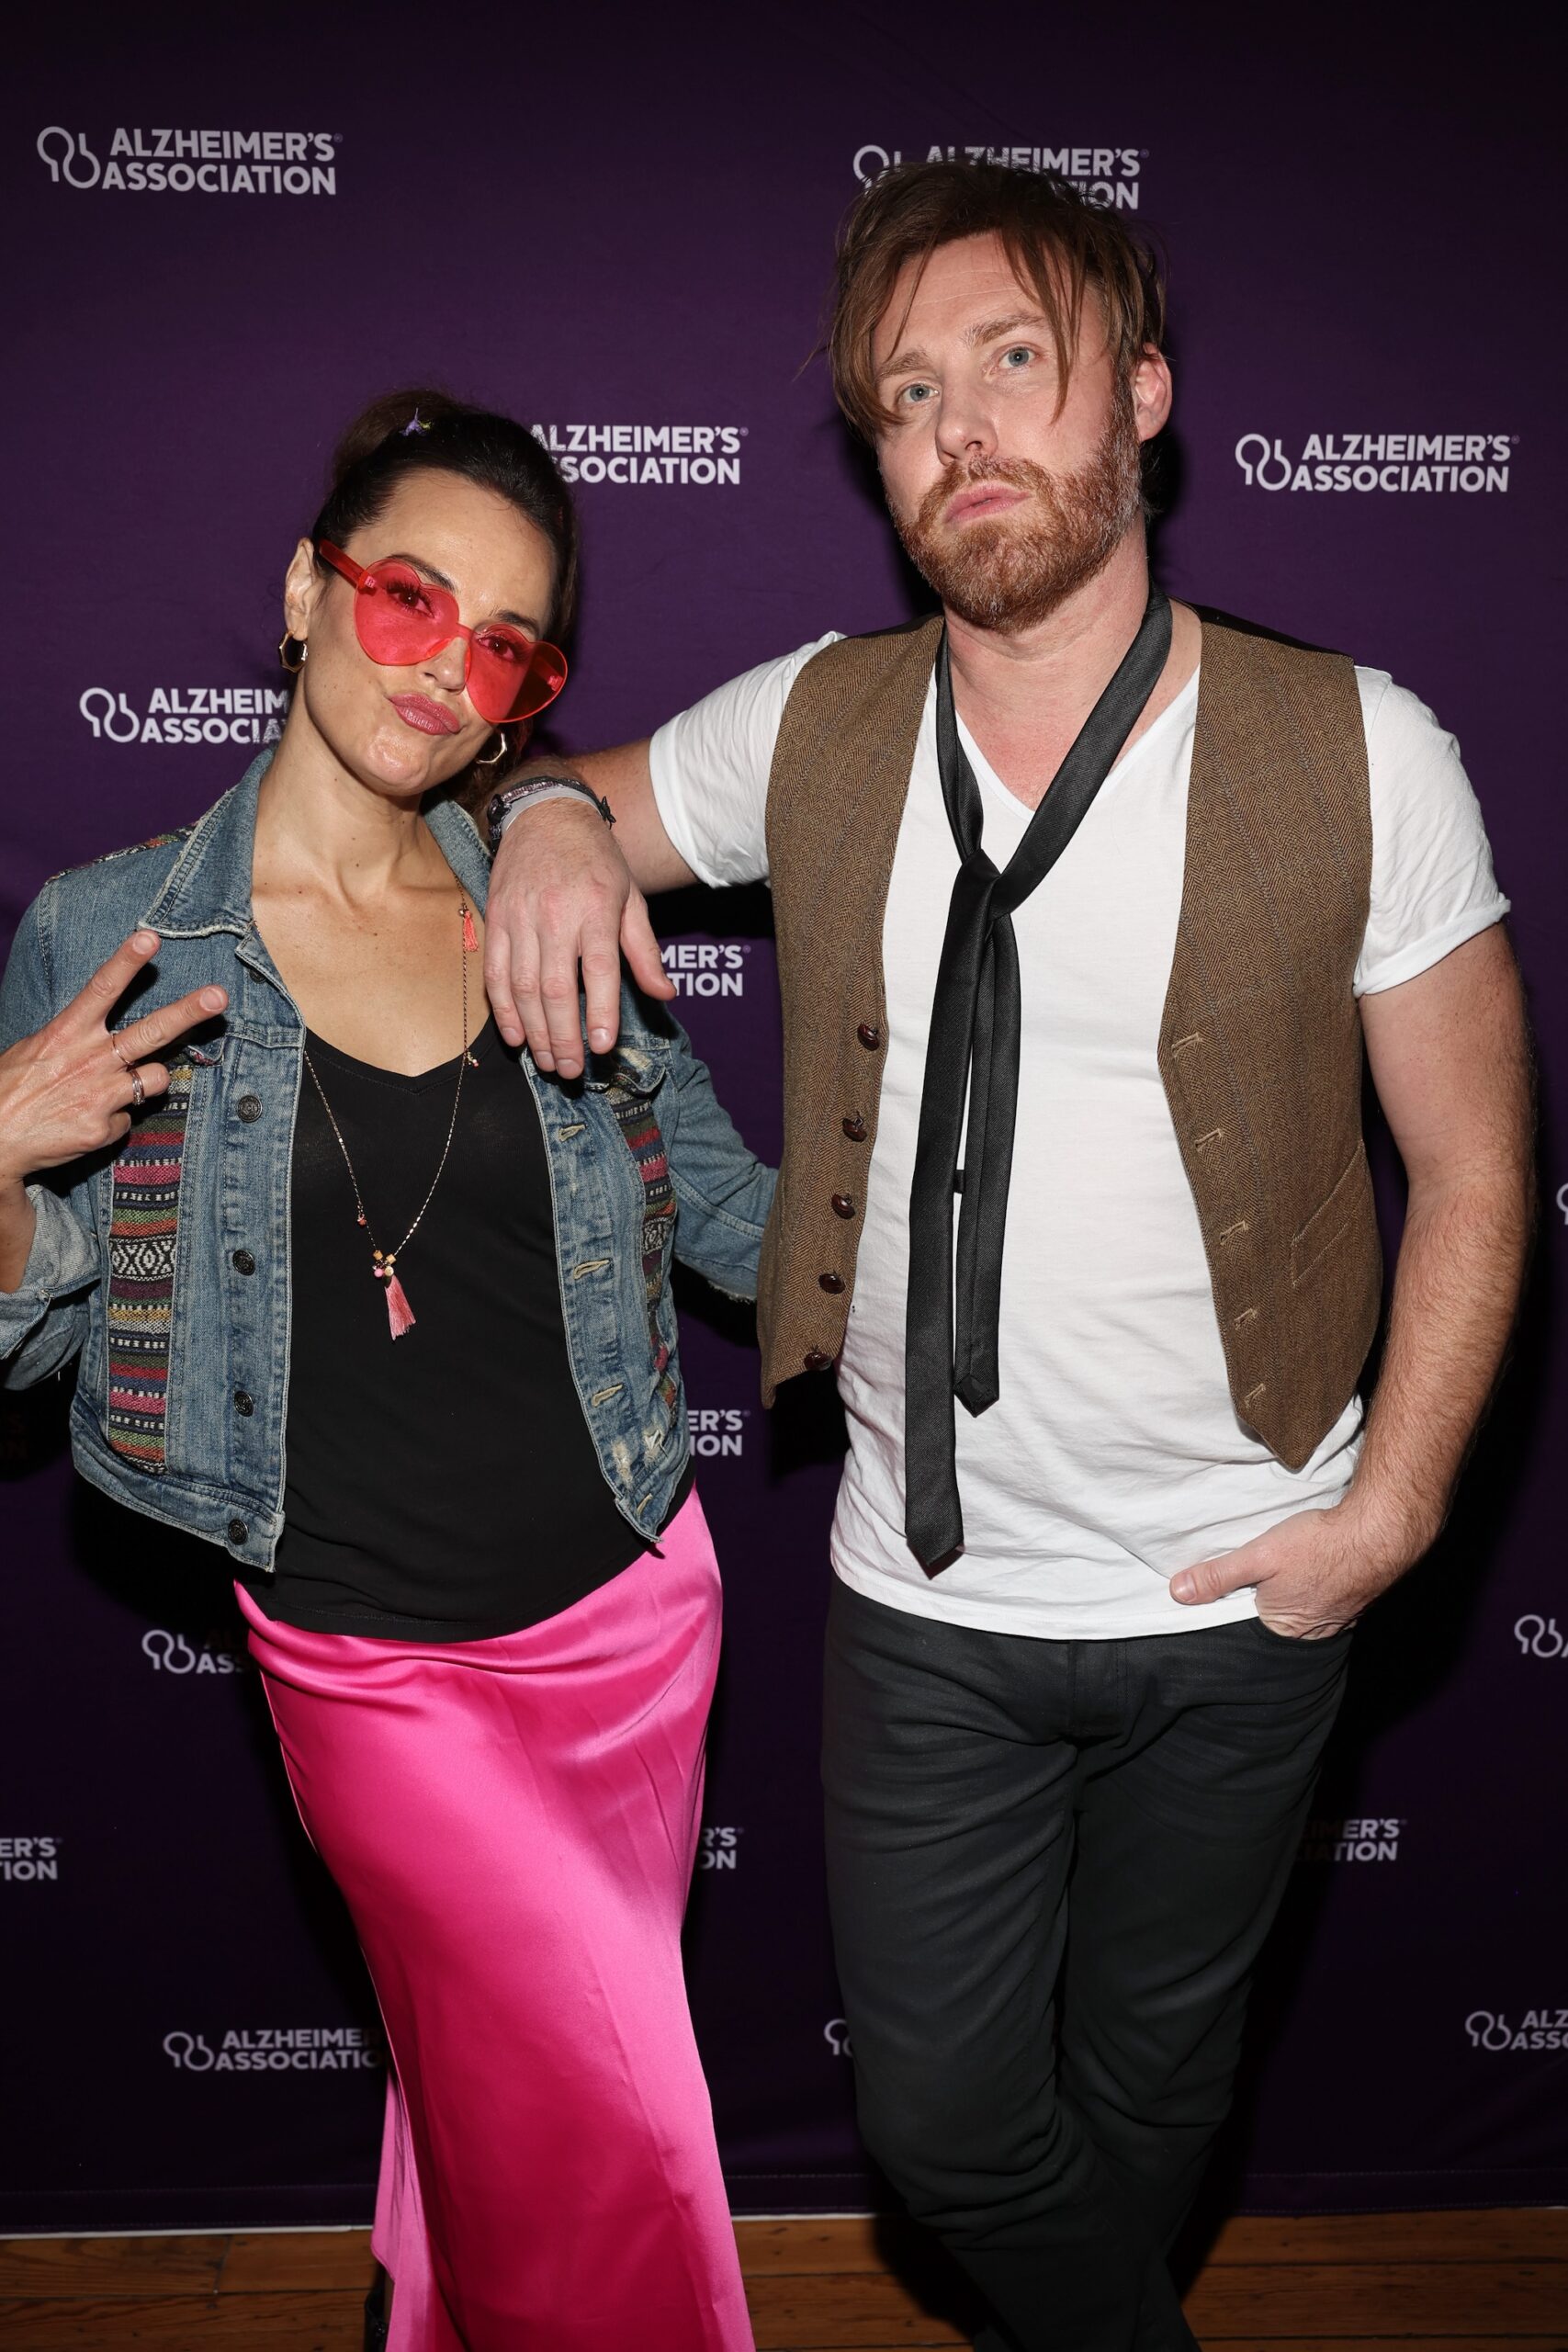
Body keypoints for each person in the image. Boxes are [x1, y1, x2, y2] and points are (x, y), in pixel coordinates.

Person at [477, 165, 1535, 2351]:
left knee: (1154, 2088)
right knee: (948, 2125)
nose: (958, 429)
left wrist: (1393, 1512)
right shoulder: (816, 723)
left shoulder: (1359, 750)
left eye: (1014, 365)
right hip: (926, 1596)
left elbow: (1474, 1162)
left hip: (1247, 1585)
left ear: (1137, 398)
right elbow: (528, 785)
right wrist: (557, 810)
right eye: (903, 396)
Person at [0, 390, 771, 2352]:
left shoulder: (546, 893)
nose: (450, 667)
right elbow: (35, 1325)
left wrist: (999, 1266)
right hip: (367, 1655)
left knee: (507, 2077)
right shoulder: (112, 933)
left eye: (507, 641)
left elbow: (732, 1220)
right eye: (410, 595)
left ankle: (419, 2303)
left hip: (627, 1610)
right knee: (624, 2128)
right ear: (301, 590)